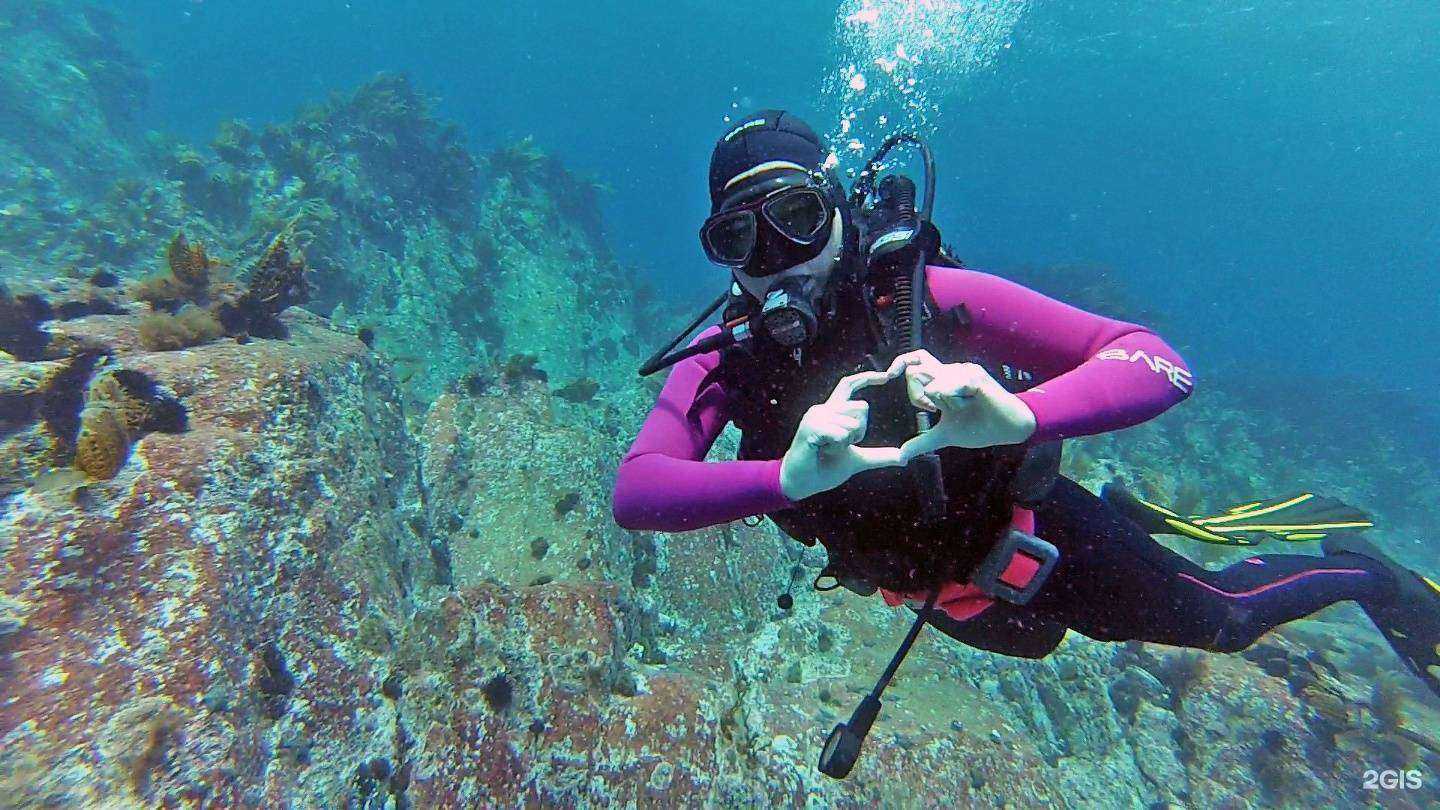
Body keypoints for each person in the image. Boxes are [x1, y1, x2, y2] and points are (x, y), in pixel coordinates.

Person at [610, 110, 1440, 699]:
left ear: (834, 210)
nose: (776, 259)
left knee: (1225, 618)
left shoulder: (924, 297)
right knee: (1037, 642)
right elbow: (637, 492)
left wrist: (1023, 419)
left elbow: (1158, 363)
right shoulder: (732, 357)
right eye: (740, 239)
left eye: (796, 216)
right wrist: (787, 480)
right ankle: (1134, 515)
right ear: (722, 255)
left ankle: (1369, 576)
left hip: (1040, 540)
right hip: (940, 596)